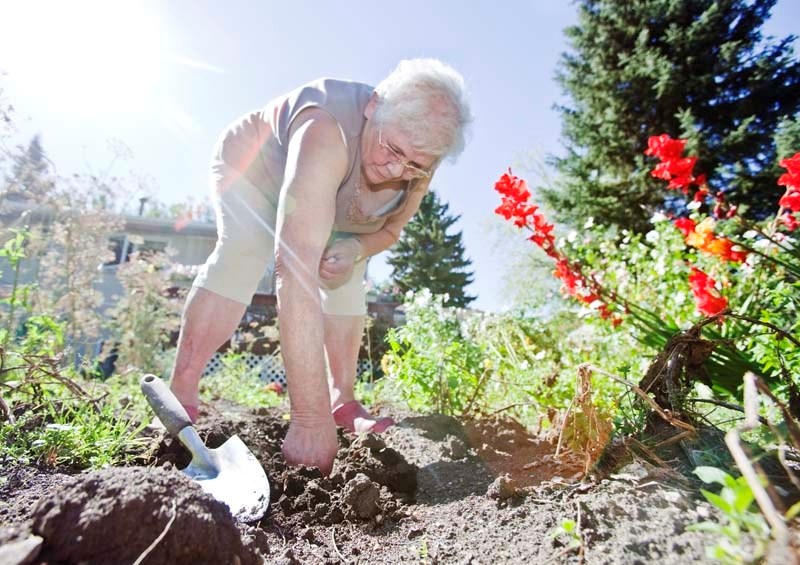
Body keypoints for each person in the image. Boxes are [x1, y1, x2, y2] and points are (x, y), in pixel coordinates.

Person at [168, 58, 471, 475]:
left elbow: (390, 232)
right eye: (393, 150)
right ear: (372, 107)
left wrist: (357, 248)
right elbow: (292, 267)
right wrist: (309, 422)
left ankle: (342, 401)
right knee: (246, 247)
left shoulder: (421, 153)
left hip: (328, 199)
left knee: (342, 267)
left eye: (416, 165)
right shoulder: (325, 128)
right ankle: (182, 388)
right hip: (256, 169)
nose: (398, 170)